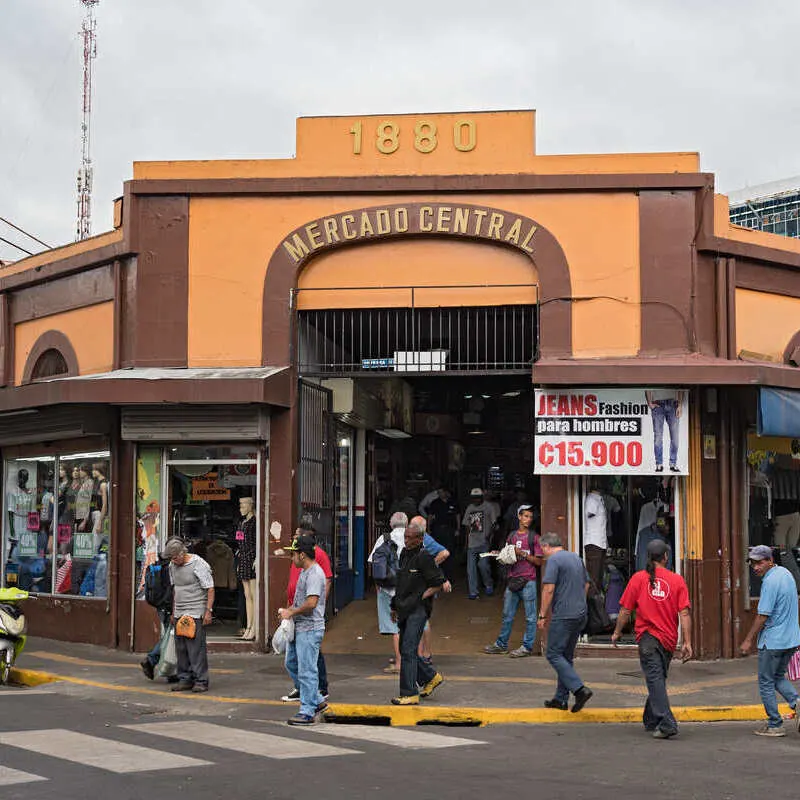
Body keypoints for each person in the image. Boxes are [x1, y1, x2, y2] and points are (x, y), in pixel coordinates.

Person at [611, 539, 692, 739]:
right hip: (668, 639)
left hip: (648, 639)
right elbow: (685, 614)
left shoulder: (638, 579)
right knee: (657, 679)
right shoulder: (677, 580)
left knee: (656, 679)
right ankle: (652, 719)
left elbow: (625, 610)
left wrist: (617, 631)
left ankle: (666, 723)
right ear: (666, 557)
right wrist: (688, 642)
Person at [739, 545, 800, 737]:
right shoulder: (785, 574)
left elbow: (762, 615)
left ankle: (775, 724)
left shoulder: (770, 582)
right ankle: (796, 702)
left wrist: (748, 640)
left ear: (769, 560)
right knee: (777, 677)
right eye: (753, 563)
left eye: (759, 562)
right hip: (791, 638)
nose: (756, 567)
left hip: (773, 641)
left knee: (766, 681)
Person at [390, 521, 445, 705]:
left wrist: (422, 597)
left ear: (420, 539)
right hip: (404, 607)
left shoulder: (425, 557)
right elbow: (401, 583)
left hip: (418, 610)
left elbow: (438, 583)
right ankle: (430, 677)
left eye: (410, 538)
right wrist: (394, 606)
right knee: (406, 648)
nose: (406, 541)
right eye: (405, 537)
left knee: (408, 649)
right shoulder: (405, 555)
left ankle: (409, 693)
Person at [537, 532, 593, 713]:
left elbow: (549, 589)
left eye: (542, 549)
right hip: (579, 613)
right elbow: (586, 584)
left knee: (553, 654)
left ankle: (579, 689)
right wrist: (579, 603)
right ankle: (560, 699)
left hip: (564, 614)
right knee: (565, 657)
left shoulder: (554, 561)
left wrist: (542, 615)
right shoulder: (576, 558)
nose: (542, 553)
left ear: (546, 546)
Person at [280, 532, 328, 725]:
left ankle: (307, 710)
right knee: (292, 663)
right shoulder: (304, 572)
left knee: (307, 670)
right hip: (300, 628)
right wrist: (289, 611)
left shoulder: (315, 574)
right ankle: (316, 700)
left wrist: (291, 612)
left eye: (293, 553)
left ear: (302, 555)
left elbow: (311, 603)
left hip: (309, 629)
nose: (291, 558)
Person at [484, 505, 543, 658]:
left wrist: (522, 553)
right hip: (513, 579)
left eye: (530, 517)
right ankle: (501, 645)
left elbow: (538, 562)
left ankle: (527, 647)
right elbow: (507, 554)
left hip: (528, 580)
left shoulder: (534, 537)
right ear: (519, 517)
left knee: (530, 617)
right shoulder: (511, 536)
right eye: (525, 516)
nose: (528, 519)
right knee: (507, 614)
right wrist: (499, 554)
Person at [164, 537, 214, 693]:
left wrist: (208, 611)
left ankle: (201, 680)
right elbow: (175, 589)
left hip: (195, 610)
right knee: (181, 648)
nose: (172, 561)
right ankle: (185, 678)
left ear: (181, 554)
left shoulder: (198, 564)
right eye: (170, 558)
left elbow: (210, 588)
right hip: (180, 610)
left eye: (174, 558)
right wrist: (174, 612)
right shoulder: (172, 565)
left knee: (195, 648)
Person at [409, 515, 452, 663]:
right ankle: (420, 653)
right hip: (421, 585)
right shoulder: (419, 539)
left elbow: (445, 553)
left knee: (422, 619)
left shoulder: (424, 539)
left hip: (423, 586)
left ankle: (425, 654)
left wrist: (430, 567)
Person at [462, 488, 498, 599]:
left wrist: (490, 537)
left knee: (483, 565)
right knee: (471, 569)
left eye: (478, 498)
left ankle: (488, 584)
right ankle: (473, 592)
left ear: (482, 497)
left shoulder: (489, 507)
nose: (476, 500)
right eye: (474, 498)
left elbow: (494, 524)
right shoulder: (470, 508)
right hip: (472, 543)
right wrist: (465, 543)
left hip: (484, 543)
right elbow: (467, 526)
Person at [645, 389, 685, 473]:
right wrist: (649, 403)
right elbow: (647, 384)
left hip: (673, 403)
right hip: (657, 404)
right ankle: (659, 464)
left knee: (675, 437)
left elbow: (681, 385)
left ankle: (673, 464)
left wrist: (680, 405)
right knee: (658, 437)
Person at [427, 488, 460, 580]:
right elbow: (430, 516)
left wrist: (458, 529)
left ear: (446, 492)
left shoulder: (453, 502)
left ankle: (449, 577)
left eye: (441, 491)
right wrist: (428, 529)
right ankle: (439, 576)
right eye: (438, 492)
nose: (439, 493)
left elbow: (457, 516)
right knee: (438, 552)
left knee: (449, 553)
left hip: (450, 530)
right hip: (438, 530)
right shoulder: (435, 503)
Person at [583, 483, 607, 590]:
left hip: (600, 543)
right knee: (593, 577)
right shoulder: (591, 500)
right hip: (594, 543)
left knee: (598, 577)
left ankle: (596, 602)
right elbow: (590, 513)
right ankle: (592, 604)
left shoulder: (599, 500)